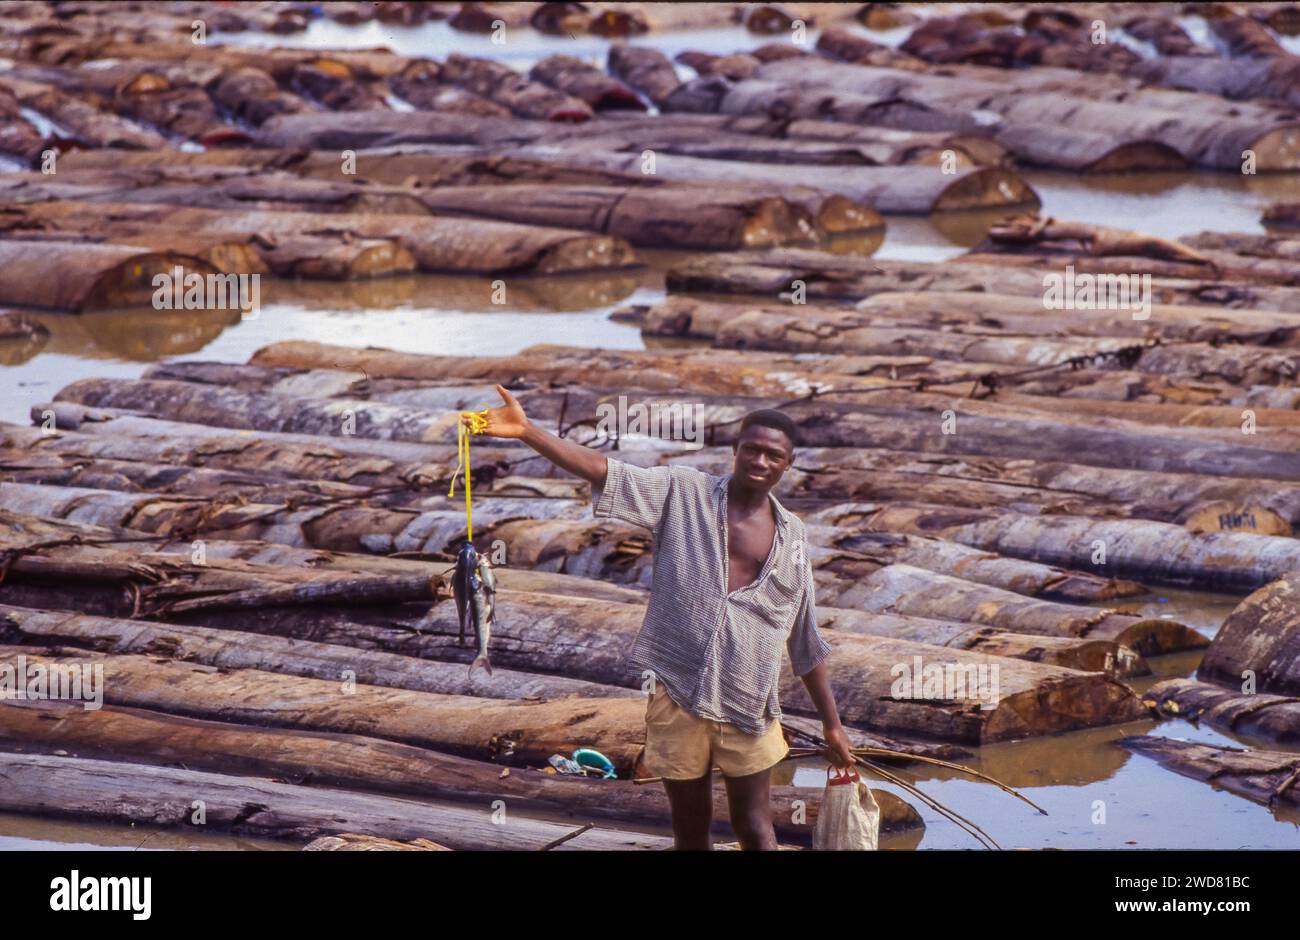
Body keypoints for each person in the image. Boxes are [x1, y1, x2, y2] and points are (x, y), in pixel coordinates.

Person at [466, 386, 854, 850]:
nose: (760, 460)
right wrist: (528, 431)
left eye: (774, 455)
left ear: (787, 465)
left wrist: (832, 724)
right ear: (735, 451)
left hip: (751, 700)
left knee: (754, 826)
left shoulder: (793, 536)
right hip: (679, 692)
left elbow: (805, 638)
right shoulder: (683, 492)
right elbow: (603, 470)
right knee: (690, 827)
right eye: (751, 448)